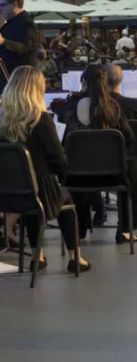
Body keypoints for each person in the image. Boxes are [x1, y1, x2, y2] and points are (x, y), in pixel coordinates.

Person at [0, 66, 90, 272]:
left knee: (33, 204)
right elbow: (57, 157)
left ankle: (37, 257)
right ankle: (76, 258)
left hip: (14, 192)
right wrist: (65, 175)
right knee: (67, 199)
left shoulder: (1, 121)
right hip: (43, 191)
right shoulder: (42, 120)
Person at [64, 64, 134, 242]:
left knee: (77, 171)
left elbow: (66, 142)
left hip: (78, 177)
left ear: (84, 83)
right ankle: (124, 229)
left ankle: (79, 230)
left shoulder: (71, 108)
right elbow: (128, 138)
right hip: (112, 176)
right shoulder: (114, 108)